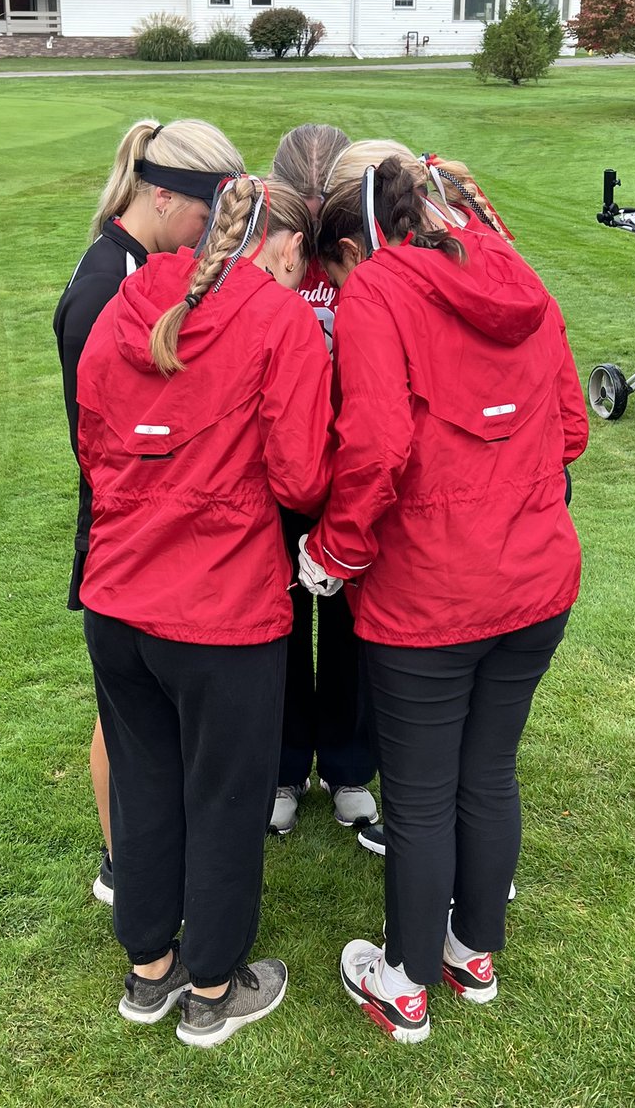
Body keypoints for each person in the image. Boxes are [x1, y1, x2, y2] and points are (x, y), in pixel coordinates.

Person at [298, 150, 588, 1043]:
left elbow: (378, 444)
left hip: (429, 595)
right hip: (534, 579)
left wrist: (331, 552)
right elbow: (570, 429)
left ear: (364, 237)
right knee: (486, 772)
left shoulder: (380, 292)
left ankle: (409, 981)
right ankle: (470, 951)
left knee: (424, 795)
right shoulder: (516, 272)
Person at [76, 175, 334, 1046]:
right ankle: (215, 987)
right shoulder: (281, 322)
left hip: (120, 601)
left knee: (148, 781)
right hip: (221, 614)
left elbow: (93, 442)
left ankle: (150, 969)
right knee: (224, 798)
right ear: (286, 244)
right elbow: (302, 479)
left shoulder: (123, 302)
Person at [53, 118, 244, 904]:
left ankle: (140, 851)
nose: (213, 239)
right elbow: (106, 435)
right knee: (121, 717)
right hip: (120, 525)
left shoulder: (142, 259)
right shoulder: (106, 284)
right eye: (208, 218)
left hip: (140, 519)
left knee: (137, 713)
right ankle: (121, 859)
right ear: (164, 196)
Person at [267, 123, 378, 834]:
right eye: (300, 205)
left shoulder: (354, 254)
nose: (311, 216)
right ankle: (281, 765)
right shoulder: (266, 254)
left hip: (352, 470)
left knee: (348, 625)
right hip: (277, 472)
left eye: (322, 202)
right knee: (277, 619)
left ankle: (345, 764)